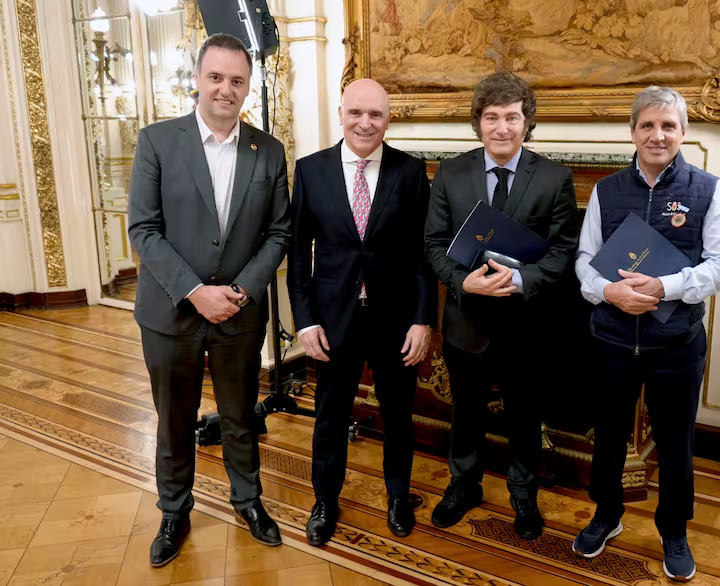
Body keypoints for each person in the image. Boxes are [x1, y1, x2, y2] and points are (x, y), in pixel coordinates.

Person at [128, 33, 291, 567]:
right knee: (175, 418)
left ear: (249, 87)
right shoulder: (156, 141)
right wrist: (196, 292)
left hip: (239, 316)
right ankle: (174, 510)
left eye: (237, 80)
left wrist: (240, 292)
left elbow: (279, 233)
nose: (226, 89)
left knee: (241, 416)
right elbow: (145, 230)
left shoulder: (268, 150)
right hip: (171, 312)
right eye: (216, 77)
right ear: (196, 79)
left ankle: (249, 501)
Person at [573, 86, 720, 581]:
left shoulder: (708, 190)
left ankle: (674, 531)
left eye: (668, 125)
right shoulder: (606, 189)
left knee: (675, 441)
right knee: (608, 437)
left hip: (676, 346)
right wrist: (609, 294)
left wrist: (666, 286)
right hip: (612, 341)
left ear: (683, 133)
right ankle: (607, 516)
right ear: (633, 132)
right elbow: (584, 261)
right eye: (647, 125)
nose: (657, 134)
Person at [424, 71, 579, 540]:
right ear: (479, 123)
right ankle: (463, 485)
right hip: (465, 320)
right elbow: (432, 244)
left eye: (512, 117)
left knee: (524, 418)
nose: (502, 127)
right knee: (464, 413)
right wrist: (462, 282)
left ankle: (523, 496)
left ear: (526, 122)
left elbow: (562, 252)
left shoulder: (554, 177)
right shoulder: (451, 173)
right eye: (492, 117)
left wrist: (521, 279)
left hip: (526, 325)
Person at [288, 78, 437, 546]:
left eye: (376, 114)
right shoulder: (310, 171)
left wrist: (422, 319)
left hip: (395, 321)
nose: (365, 123)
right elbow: (297, 255)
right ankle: (325, 500)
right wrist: (306, 320)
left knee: (398, 414)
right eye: (357, 113)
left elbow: (422, 255)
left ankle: (397, 496)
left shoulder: (411, 173)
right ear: (341, 114)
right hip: (333, 321)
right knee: (330, 415)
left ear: (388, 119)